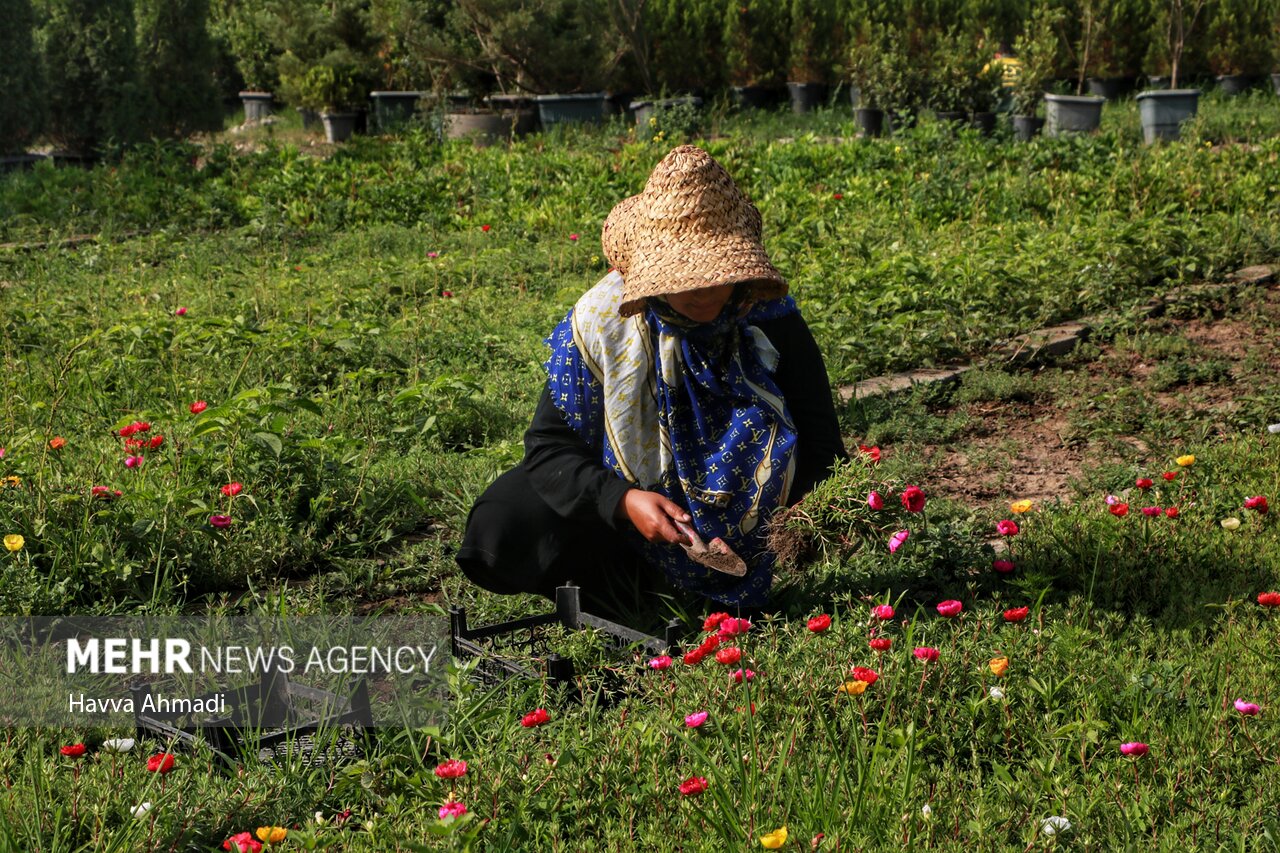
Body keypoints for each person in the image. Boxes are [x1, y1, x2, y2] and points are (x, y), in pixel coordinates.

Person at [456, 145, 846, 613]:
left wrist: (798, 527)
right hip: (632, 511)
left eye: (717, 274)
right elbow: (548, 449)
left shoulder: (769, 317)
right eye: (684, 276)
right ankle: (631, 580)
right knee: (502, 527)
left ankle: (723, 586)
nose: (702, 291)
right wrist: (624, 501)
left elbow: (821, 439)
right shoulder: (605, 322)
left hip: (748, 519)